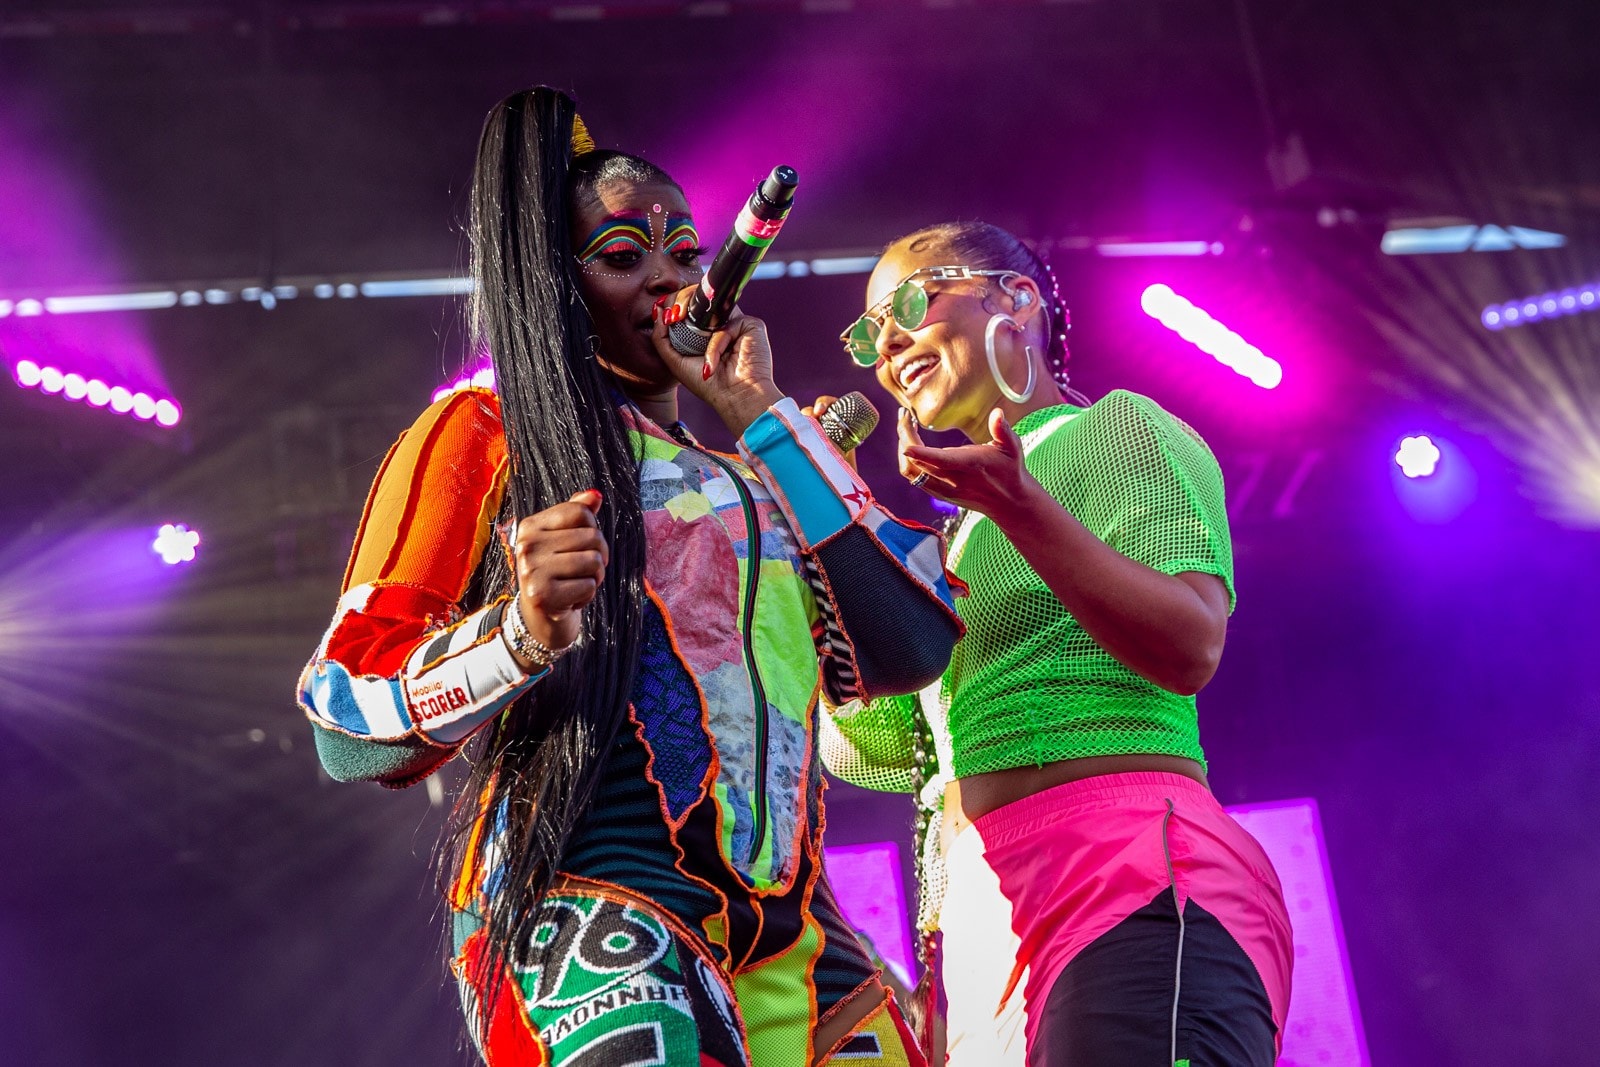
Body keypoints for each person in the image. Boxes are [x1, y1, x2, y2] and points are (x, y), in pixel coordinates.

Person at [296, 88, 965, 1067]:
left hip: (797, 936)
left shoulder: (759, 466)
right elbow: (341, 724)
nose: (670, 281)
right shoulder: (482, 431)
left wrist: (764, 412)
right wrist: (520, 630)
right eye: (623, 257)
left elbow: (908, 647)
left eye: (686, 253)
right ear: (558, 288)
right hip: (602, 908)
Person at [821, 221, 1293, 1066]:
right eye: (868, 334)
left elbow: (1190, 645)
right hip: (986, 913)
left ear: (1017, 297)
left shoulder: (1112, 431)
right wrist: (820, 567)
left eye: (907, 302)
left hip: (1129, 875)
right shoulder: (956, 540)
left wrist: (1022, 507)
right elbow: (884, 751)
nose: (887, 343)